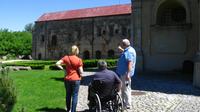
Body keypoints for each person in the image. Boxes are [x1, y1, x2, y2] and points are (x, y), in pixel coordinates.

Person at [56, 45, 83, 112]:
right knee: (75, 95)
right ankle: (73, 111)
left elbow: (57, 63)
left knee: (68, 94)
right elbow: (81, 72)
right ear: (77, 51)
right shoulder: (79, 60)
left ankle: (68, 109)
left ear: (71, 50)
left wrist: (64, 70)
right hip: (76, 79)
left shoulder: (66, 57)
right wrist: (81, 76)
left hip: (67, 79)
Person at [116, 39, 136, 109]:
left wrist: (128, 74)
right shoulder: (130, 49)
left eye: (122, 44)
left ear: (124, 45)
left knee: (126, 89)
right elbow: (125, 53)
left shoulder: (129, 52)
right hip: (123, 73)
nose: (121, 45)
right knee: (124, 88)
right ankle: (123, 102)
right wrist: (122, 50)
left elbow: (130, 63)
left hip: (125, 74)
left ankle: (127, 104)